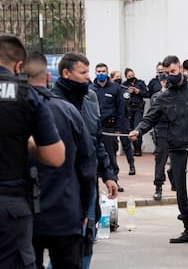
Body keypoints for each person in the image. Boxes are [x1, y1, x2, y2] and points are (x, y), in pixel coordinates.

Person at [129, 55, 188, 249]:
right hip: (177, 150)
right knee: (181, 194)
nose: (169, 76)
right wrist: (138, 130)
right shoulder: (162, 97)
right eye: (165, 73)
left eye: (173, 72)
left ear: (180, 69)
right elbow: (149, 118)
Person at [26, 52, 97, 269]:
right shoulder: (69, 111)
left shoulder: (13, 112)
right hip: (66, 211)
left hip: (25, 214)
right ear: (49, 77)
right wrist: (85, 210)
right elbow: (86, 165)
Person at [0, 34, 65, 269]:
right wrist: (27, 143)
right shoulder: (27, 95)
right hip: (10, 203)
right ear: (19, 66)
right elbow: (55, 157)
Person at [51, 52, 119, 269]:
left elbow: (96, 142)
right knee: (66, 247)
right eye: (83, 73)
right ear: (66, 73)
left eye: (88, 72)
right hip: (62, 187)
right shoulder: (51, 103)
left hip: (87, 184)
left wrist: (108, 174)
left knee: (86, 239)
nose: (88, 77)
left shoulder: (89, 100)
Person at [89, 63, 125, 192]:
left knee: (110, 155)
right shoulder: (90, 88)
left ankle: (114, 180)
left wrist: (119, 128)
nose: (101, 74)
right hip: (93, 127)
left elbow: (121, 109)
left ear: (107, 72)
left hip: (109, 127)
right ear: (95, 72)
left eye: (103, 71)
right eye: (98, 71)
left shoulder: (115, 88)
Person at [150, 73, 176, 200]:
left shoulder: (176, 95)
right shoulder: (156, 96)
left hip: (175, 131)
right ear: (161, 82)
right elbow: (153, 115)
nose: (166, 83)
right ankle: (158, 187)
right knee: (160, 160)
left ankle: (174, 180)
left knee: (177, 160)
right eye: (164, 81)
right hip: (162, 131)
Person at [110, 70, 136, 176]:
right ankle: (113, 167)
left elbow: (126, 103)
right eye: (116, 77)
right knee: (112, 145)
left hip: (123, 119)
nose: (118, 78)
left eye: (120, 77)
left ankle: (131, 165)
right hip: (112, 120)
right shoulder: (109, 90)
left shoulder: (124, 90)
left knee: (126, 144)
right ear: (111, 78)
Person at [122, 67, 150, 156]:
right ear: (126, 77)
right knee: (130, 127)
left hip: (138, 108)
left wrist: (138, 91)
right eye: (129, 76)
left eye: (132, 75)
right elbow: (122, 96)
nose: (131, 77)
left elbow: (147, 94)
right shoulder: (124, 84)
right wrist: (128, 92)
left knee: (137, 126)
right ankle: (131, 148)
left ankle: (138, 148)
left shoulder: (140, 83)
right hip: (129, 109)